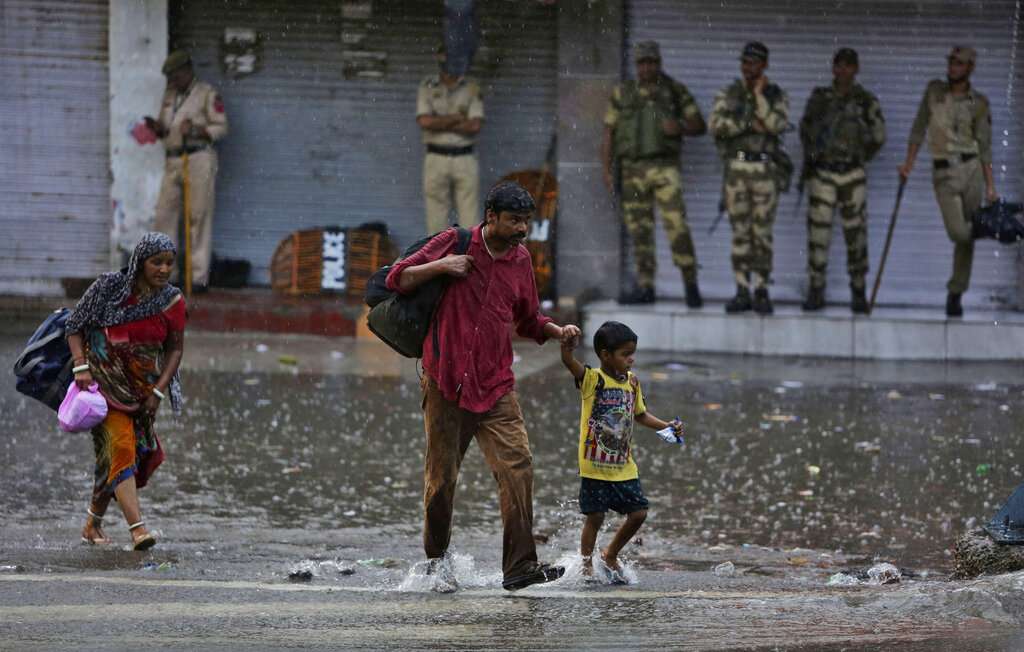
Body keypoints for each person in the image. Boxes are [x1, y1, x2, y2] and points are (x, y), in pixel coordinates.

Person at [385, 181, 580, 592]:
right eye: (514, 220)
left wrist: (556, 329)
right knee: (441, 483)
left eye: (526, 221)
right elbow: (398, 279)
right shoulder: (452, 242)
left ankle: (520, 567)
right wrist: (442, 266)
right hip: (445, 383)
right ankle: (437, 566)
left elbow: (528, 319)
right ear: (490, 216)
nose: (521, 229)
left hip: (496, 387)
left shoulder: (521, 260)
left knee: (518, 469)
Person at [65, 233, 186, 551]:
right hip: (103, 387)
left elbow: (175, 349)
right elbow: (74, 325)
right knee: (120, 447)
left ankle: (92, 523)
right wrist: (81, 365)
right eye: (156, 262)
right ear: (139, 262)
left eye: (169, 263)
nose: (163, 269)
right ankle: (138, 529)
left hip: (143, 394)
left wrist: (158, 393)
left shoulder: (172, 301)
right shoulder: (108, 288)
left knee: (118, 459)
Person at [560, 321, 683, 582]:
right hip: (595, 465)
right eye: (625, 354)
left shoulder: (632, 383)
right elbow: (570, 364)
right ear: (606, 355)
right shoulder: (593, 380)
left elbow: (640, 415)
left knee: (638, 512)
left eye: (633, 353)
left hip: (624, 466)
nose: (631, 359)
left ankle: (610, 554)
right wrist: (566, 349)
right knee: (595, 517)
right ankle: (585, 566)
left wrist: (667, 426)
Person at [601, 40, 707, 306]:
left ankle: (690, 284)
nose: (647, 68)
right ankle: (645, 287)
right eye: (642, 63)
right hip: (632, 169)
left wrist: (680, 126)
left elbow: (699, 124)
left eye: (651, 62)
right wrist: (606, 169)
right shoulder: (623, 93)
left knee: (676, 227)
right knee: (640, 232)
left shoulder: (674, 91)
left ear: (659, 63)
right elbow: (608, 133)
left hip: (664, 168)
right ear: (636, 65)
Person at [898, 46, 998, 317]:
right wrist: (909, 163)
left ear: (970, 68)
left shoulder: (979, 103)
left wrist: (990, 186)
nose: (953, 67)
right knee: (959, 232)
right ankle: (988, 226)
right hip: (943, 172)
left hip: (971, 169)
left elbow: (985, 146)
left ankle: (956, 293)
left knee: (966, 242)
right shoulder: (934, 92)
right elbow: (919, 128)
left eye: (959, 63)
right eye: (951, 62)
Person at [799, 48, 886, 313]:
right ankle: (816, 290)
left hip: (852, 173)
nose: (844, 70)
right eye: (839, 65)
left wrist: (859, 156)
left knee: (856, 235)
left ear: (856, 69)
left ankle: (858, 291)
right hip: (824, 173)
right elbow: (805, 130)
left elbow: (879, 136)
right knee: (818, 234)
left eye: (849, 66)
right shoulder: (820, 99)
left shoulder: (865, 101)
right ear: (833, 68)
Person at [709, 42, 790, 315]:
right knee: (741, 233)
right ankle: (742, 289)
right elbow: (716, 126)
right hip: (737, 169)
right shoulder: (729, 93)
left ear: (764, 65)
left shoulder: (775, 94)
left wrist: (759, 97)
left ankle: (762, 290)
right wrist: (746, 124)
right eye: (745, 62)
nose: (749, 67)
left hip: (765, 170)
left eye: (754, 63)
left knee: (762, 234)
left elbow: (777, 124)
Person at [146, 50, 228, 292]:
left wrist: (198, 130)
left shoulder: (206, 94)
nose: (172, 81)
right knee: (164, 216)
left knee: (198, 217)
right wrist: (158, 128)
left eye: (174, 75)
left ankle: (198, 278)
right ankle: (167, 276)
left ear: (187, 70)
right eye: (169, 77)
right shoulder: (170, 95)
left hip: (198, 158)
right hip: (173, 160)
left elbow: (222, 127)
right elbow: (166, 128)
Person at [416, 43, 484, 234]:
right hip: (436, 156)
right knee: (435, 218)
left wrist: (439, 122)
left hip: (464, 157)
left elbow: (474, 126)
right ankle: (438, 261)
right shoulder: (428, 86)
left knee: (470, 219)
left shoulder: (471, 87)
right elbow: (424, 121)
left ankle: (469, 260)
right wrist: (455, 119)